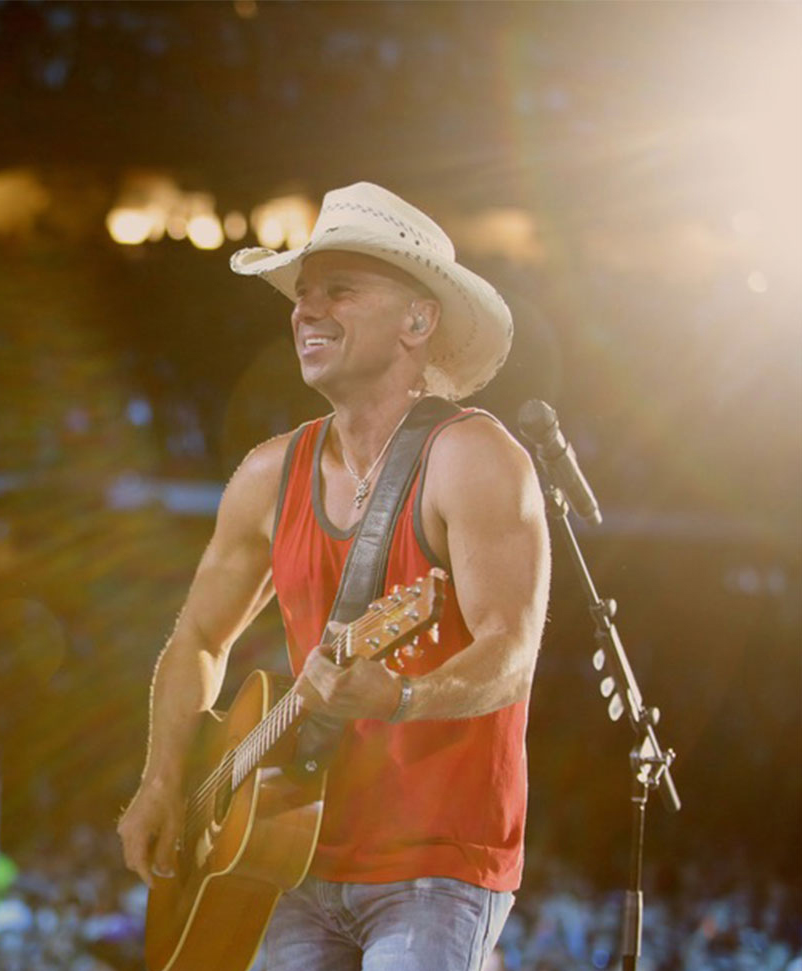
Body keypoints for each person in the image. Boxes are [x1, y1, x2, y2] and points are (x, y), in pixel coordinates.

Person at [115, 182, 549, 970]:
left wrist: (404, 696)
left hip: (436, 861)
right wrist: (161, 779)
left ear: (419, 320)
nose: (306, 311)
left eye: (340, 291)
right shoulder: (268, 473)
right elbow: (197, 638)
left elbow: (511, 649)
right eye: (302, 294)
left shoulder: (474, 458)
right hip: (287, 861)